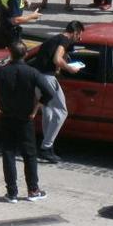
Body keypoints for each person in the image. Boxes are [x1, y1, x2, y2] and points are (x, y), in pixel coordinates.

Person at [0, 41, 52, 203]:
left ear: (10, 54)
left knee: (8, 153)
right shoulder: (32, 73)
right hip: (26, 118)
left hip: (7, 117)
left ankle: (11, 192)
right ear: (25, 54)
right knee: (29, 155)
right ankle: (33, 190)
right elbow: (49, 92)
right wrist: (36, 108)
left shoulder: (0, 72)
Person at [33, 21, 84, 163]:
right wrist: (69, 68)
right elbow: (56, 59)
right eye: (79, 36)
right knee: (62, 111)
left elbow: (49, 58)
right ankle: (46, 146)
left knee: (48, 112)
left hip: (37, 77)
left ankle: (47, 145)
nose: (79, 39)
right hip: (47, 79)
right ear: (76, 32)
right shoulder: (65, 40)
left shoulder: (53, 39)